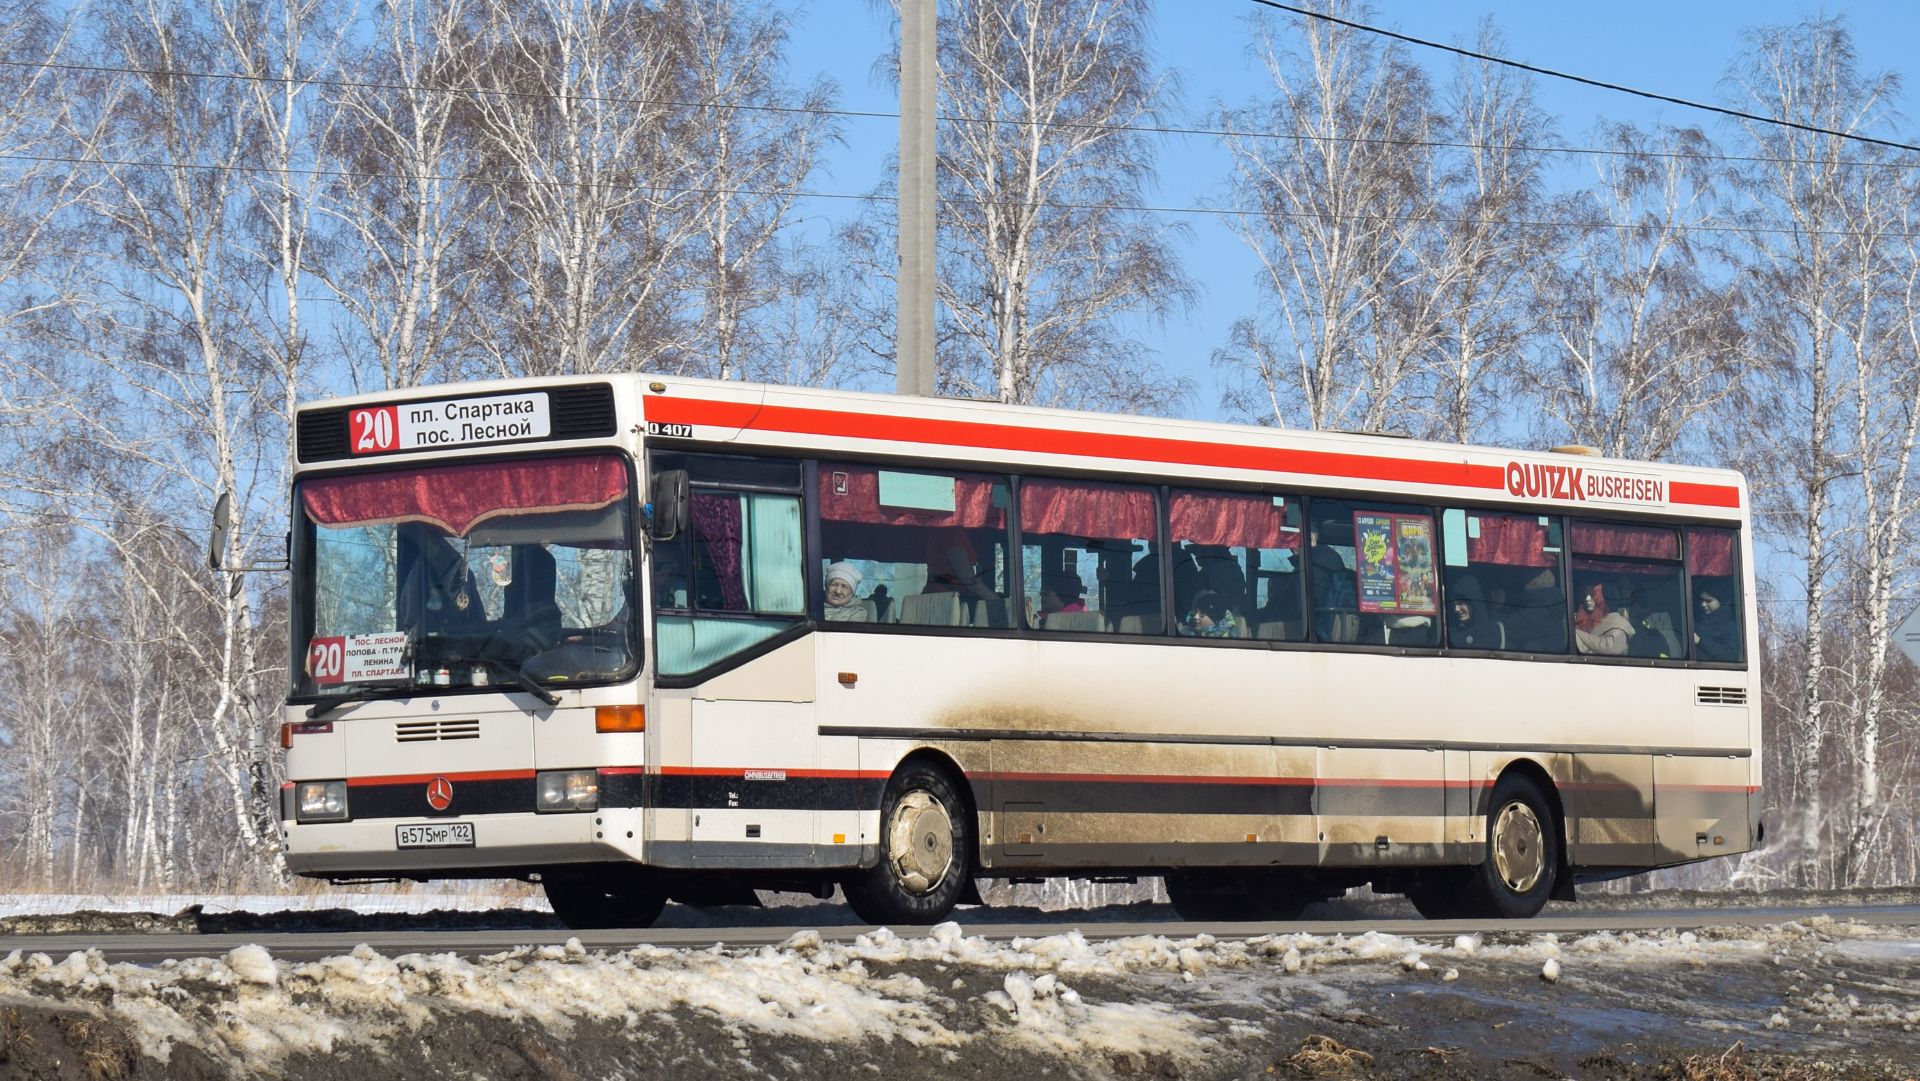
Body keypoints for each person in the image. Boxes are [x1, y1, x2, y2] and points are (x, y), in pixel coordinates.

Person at [1573, 581, 1633, 656]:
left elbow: (1615, 649)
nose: (1588, 599)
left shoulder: (1617, 623)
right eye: (1584, 595)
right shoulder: (1575, 620)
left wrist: (1577, 634)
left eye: (1594, 596)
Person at [1446, 575, 1503, 649]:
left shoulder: (1491, 630)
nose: (1456, 609)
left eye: (1460, 603)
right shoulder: (1450, 631)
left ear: (1473, 603)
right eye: (1454, 605)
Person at [1693, 587, 1738, 661]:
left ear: (1720, 601)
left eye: (1709, 601)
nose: (1703, 604)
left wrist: (1700, 641)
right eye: (1701, 600)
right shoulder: (1698, 620)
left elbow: (1730, 656)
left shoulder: (1730, 626)